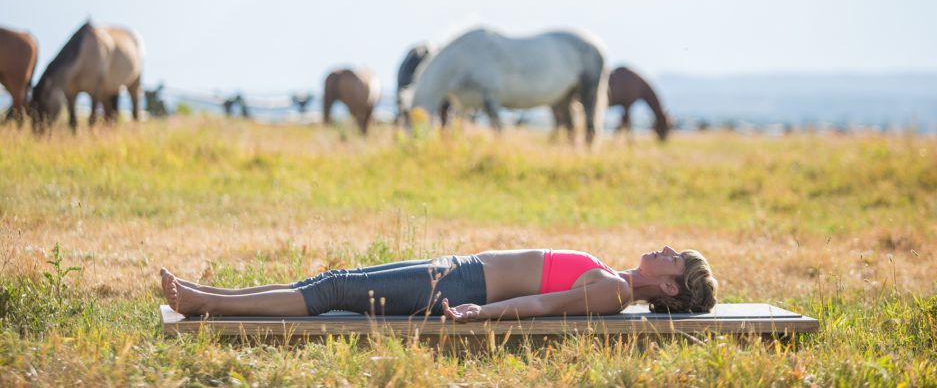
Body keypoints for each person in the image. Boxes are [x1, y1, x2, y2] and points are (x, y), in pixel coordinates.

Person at [160, 246, 717, 321]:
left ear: (669, 289)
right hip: (460, 269)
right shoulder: (617, 278)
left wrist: (481, 312)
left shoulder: (616, 293)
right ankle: (214, 299)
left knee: (332, 292)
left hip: (456, 286)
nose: (665, 250)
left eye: (674, 260)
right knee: (331, 281)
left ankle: (204, 303)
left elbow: (546, 302)